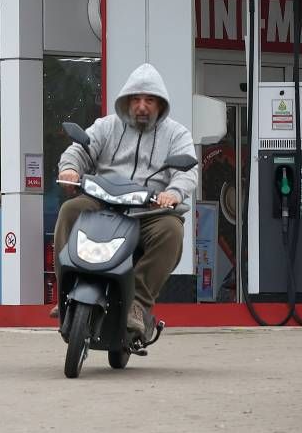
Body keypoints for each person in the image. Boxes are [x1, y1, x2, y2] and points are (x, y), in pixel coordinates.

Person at [55, 62, 198, 346]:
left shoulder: (177, 134)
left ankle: (139, 304)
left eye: (149, 100)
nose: (142, 106)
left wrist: (173, 193)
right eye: (136, 99)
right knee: (70, 211)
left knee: (172, 231)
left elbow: (187, 172)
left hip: (149, 211)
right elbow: (79, 149)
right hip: (102, 204)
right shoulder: (106, 126)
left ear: (160, 104)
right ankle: (66, 292)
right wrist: (70, 169)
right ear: (126, 101)